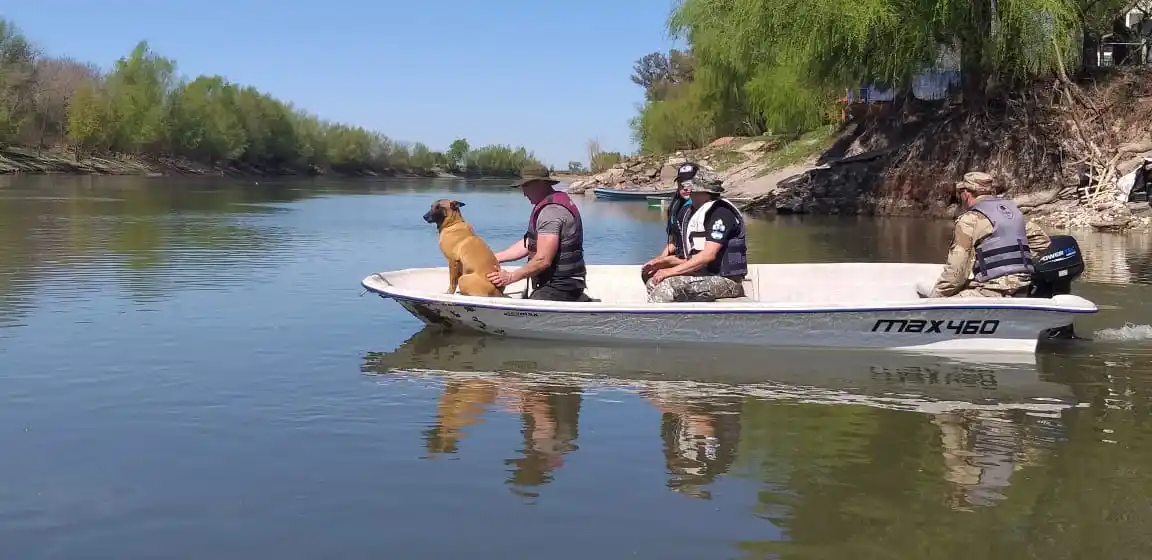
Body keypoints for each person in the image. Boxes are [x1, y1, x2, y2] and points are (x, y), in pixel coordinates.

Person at [918, 171, 1052, 298]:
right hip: (1022, 288)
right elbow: (1042, 241)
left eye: (960, 192)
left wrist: (936, 297)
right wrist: (1015, 263)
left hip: (991, 292)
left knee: (941, 298)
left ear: (966, 193)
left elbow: (955, 273)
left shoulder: (969, 220)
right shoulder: (1011, 212)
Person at [488, 163, 591, 301]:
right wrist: (494, 258)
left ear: (540, 184)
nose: (524, 193)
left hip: (562, 285)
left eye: (526, 186)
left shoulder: (551, 212)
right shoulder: (548, 205)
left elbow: (543, 260)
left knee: (530, 312)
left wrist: (511, 277)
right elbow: (529, 244)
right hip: (558, 282)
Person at [645, 176, 748, 303]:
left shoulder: (721, 213)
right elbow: (693, 258)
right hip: (704, 274)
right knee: (653, 281)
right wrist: (665, 261)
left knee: (667, 287)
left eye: (692, 189)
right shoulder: (693, 213)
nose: (688, 190)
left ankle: (663, 322)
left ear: (705, 192)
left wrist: (669, 271)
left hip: (727, 281)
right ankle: (679, 320)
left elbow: (707, 256)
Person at [641, 162, 700, 284]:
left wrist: (668, 263)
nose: (685, 187)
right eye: (681, 183)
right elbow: (673, 242)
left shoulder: (702, 209)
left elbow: (703, 256)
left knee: (658, 279)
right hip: (680, 258)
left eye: (689, 182)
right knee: (648, 272)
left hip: (696, 263)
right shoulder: (676, 207)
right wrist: (659, 259)